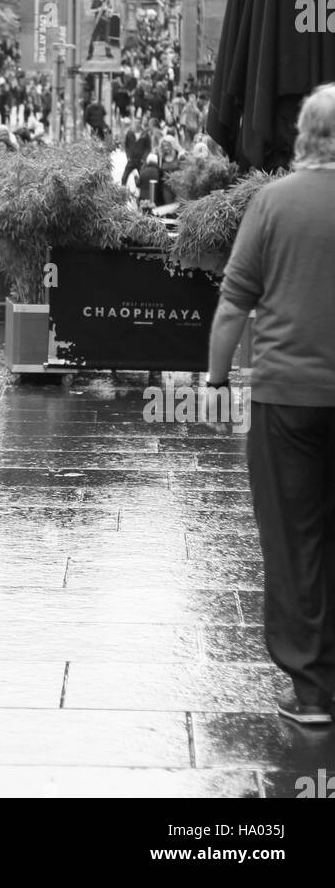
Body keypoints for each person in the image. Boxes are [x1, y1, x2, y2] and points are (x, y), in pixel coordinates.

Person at [206, 83, 335, 725]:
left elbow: (234, 302)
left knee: (293, 536)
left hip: (287, 397)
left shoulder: (272, 202)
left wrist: (216, 379)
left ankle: (311, 692)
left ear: (302, 137)